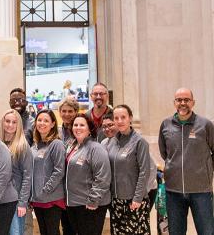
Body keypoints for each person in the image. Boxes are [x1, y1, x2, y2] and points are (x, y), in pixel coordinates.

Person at [158, 87, 214, 235]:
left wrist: (206, 172)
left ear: (193, 102)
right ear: (174, 103)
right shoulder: (165, 125)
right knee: (176, 232)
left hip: (201, 191)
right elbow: (164, 152)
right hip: (173, 191)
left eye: (186, 100)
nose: (183, 103)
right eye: (179, 100)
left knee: (207, 231)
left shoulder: (205, 125)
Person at [105, 105, 151, 235]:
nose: (119, 121)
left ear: (130, 118)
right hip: (116, 201)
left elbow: (144, 171)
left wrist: (137, 198)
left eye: (123, 117)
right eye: (116, 118)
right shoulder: (112, 142)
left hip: (134, 201)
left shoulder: (139, 142)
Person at [65, 114, 111, 235]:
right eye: (75, 125)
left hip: (89, 204)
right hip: (73, 203)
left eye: (82, 125)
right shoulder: (72, 146)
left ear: (90, 129)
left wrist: (93, 200)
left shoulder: (96, 148)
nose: (78, 128)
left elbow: (103, 177)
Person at [30, 109, 65, 235]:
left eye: (46, 120)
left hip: (51, 199)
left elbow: (59, 171)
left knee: (52, 232)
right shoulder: (34, 146)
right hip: (37, 199)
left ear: (53, 124)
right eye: (39, 120)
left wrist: (46, 190)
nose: (42, 123)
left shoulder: (56, 144)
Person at [0, 109, 32, 235]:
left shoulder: (22, 146)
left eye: (14, 122)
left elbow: (27, 176)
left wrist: (22, 203)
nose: (10, 125)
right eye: (7, 121)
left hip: (15, 201)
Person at [57, 99, 77, 235]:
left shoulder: (80, 129)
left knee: (77, 225)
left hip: (76, 185)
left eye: (70, 111)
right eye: (64, 111)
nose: (67, 114)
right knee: (66, 225)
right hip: (60, 185)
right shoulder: (56, 131)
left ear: (76, 112)